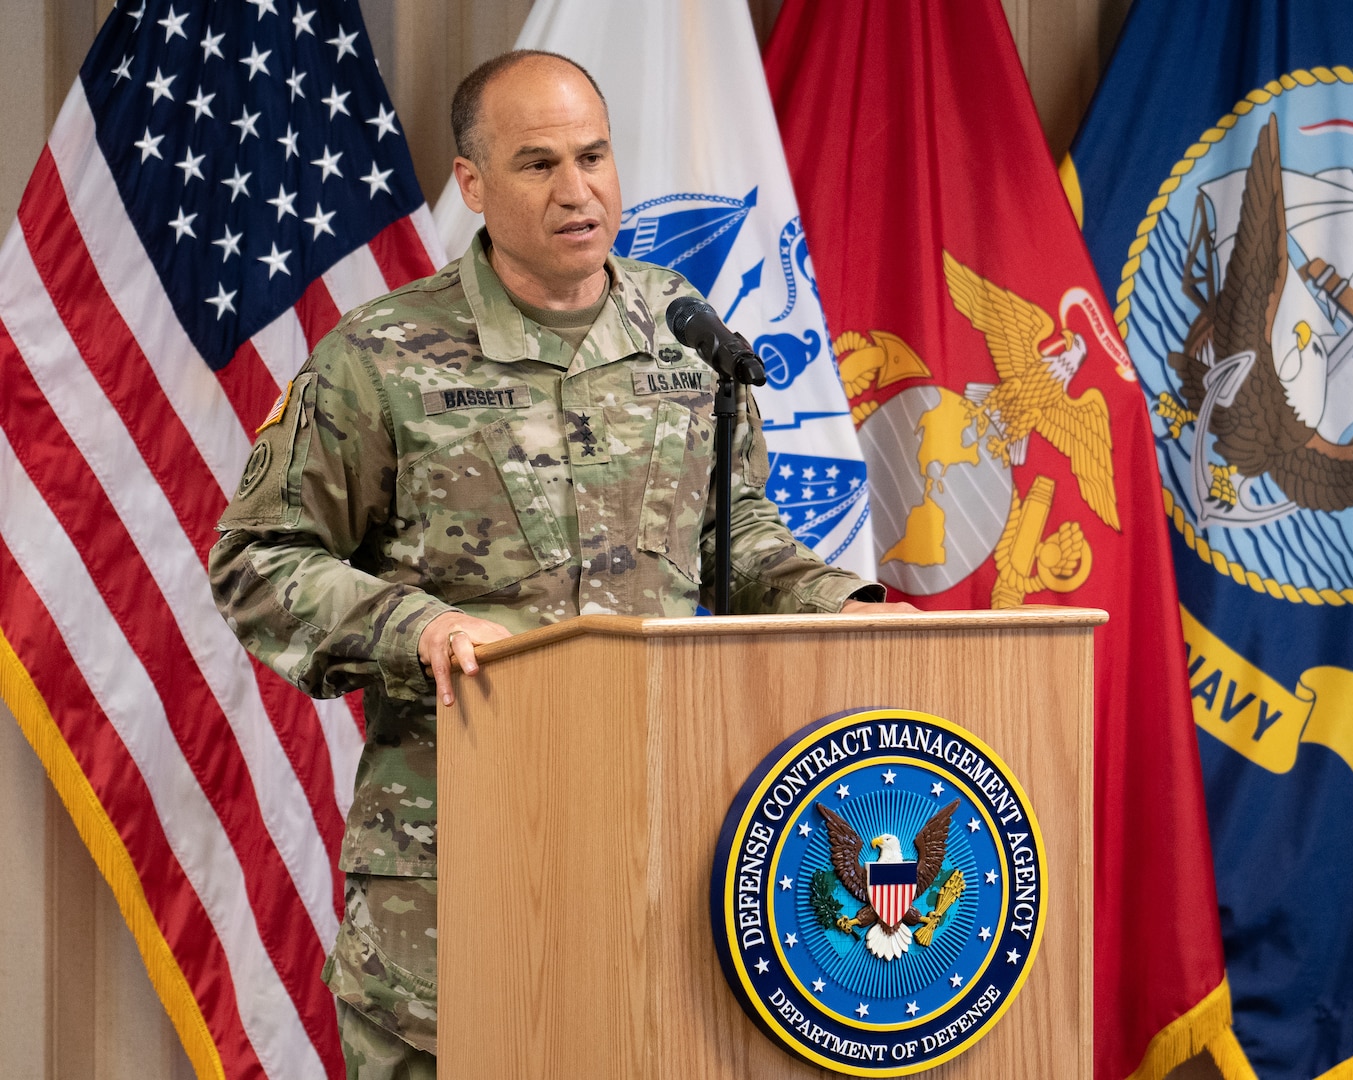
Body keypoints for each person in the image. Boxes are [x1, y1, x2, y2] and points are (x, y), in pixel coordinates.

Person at [209, 49, 905, 1079]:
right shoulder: (383, 355)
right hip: (461, 865)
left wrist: (842, 603)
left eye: (593, 155)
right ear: (476, 186)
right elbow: (258, 557)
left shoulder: (687, 337)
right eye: (538, 164)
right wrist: (417, 628)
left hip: (665, 853)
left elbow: (738, 534)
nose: (577, 189)